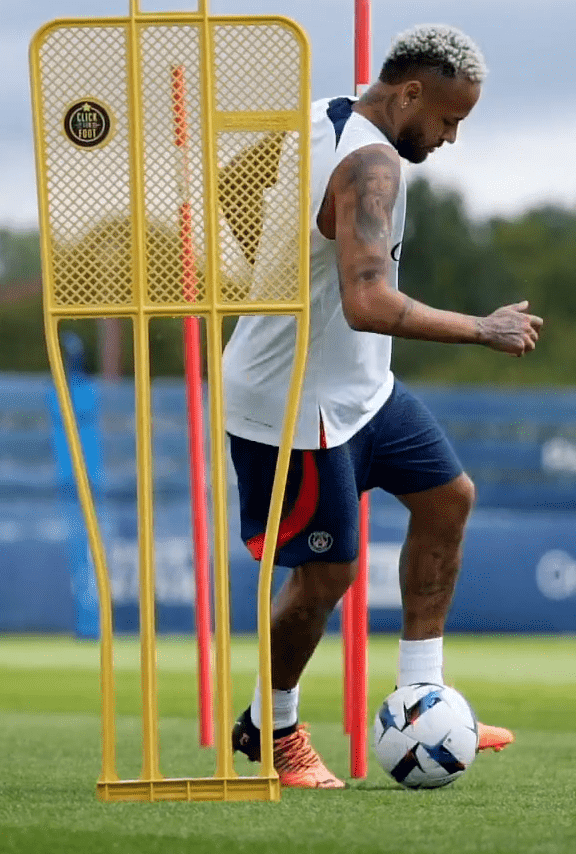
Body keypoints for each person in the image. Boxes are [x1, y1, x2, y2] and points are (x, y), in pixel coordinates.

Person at [221, 25, 542, 787]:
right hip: (294, 400)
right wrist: (482, 328)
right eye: (446, 120)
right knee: (324, 579)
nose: (450, 137)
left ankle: (421, 694)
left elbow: (234, 188)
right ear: (407, 93)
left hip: (362, 388)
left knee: (446, 498)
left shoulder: (313, 114)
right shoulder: (373, 164)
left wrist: (269, 269)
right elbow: (366, 302)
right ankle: (273, 728)